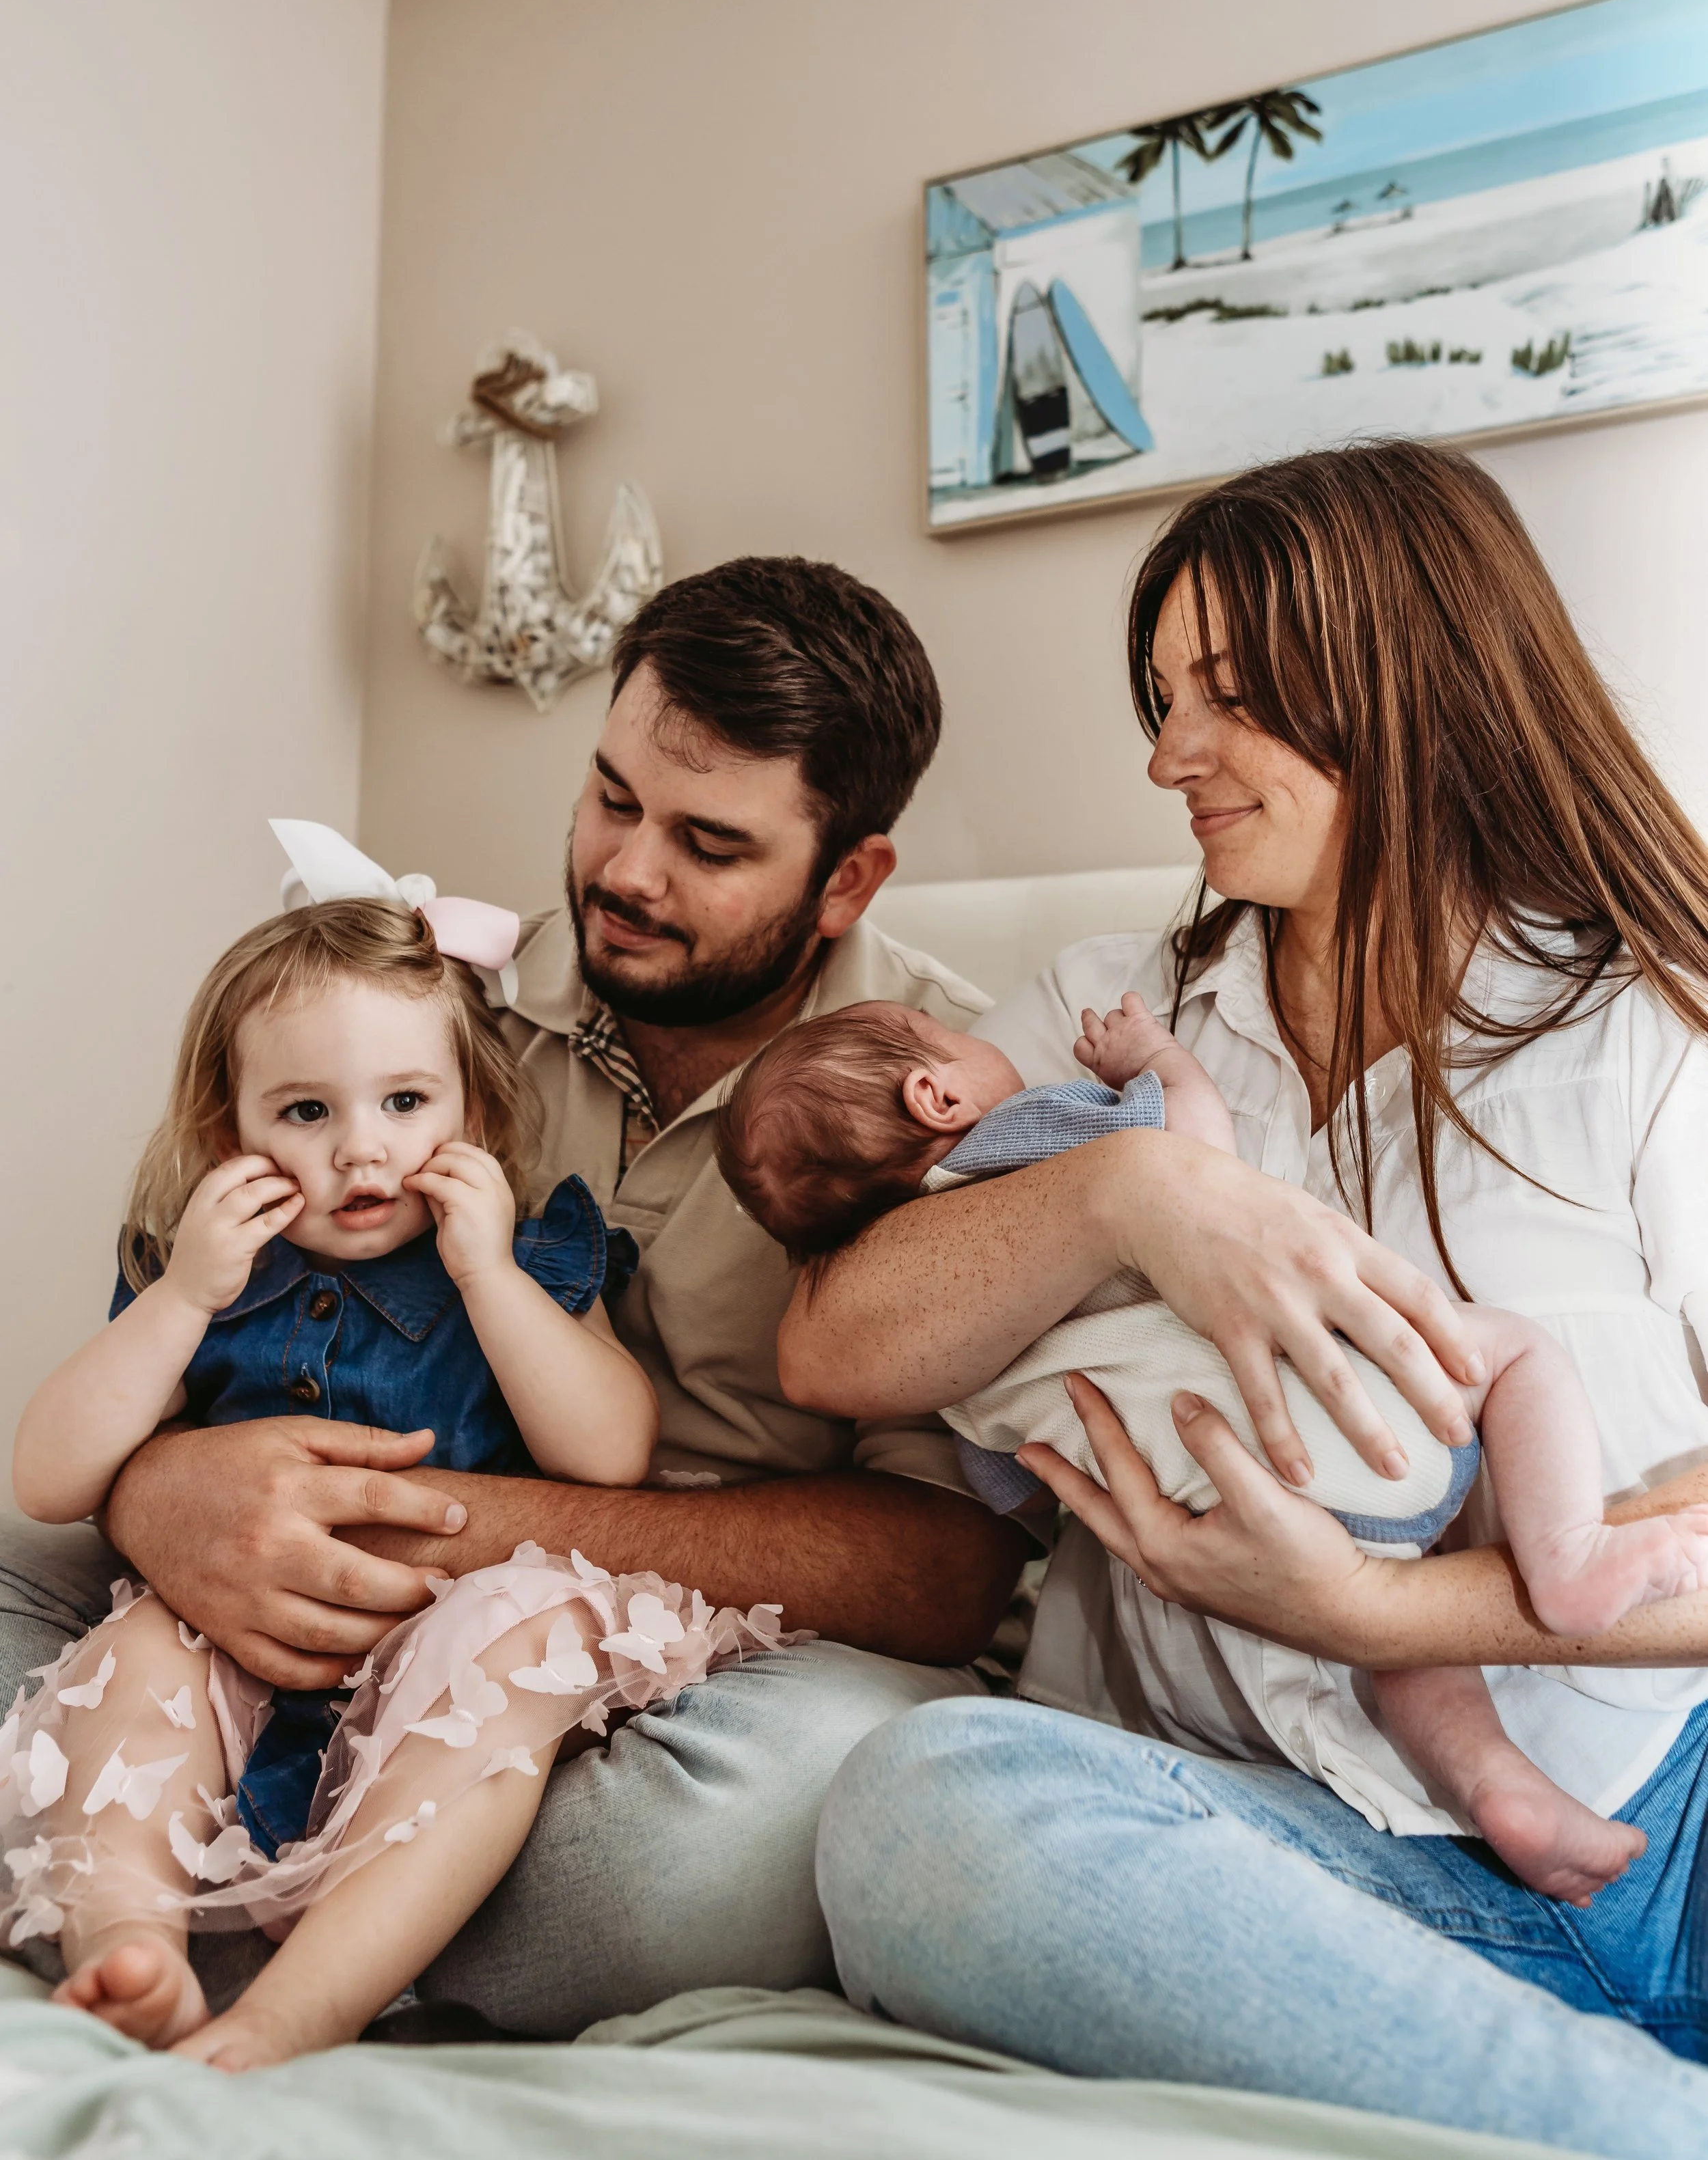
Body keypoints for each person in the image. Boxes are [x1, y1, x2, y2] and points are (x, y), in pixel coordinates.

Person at [784, 445, 1708, 2157]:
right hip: (1284, 1864)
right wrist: (1136, 1188)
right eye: (1157, 696)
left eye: (1224, 695)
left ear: (1412, 674)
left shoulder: (1650, 1028)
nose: (1161, 756)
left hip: (1653, 1814)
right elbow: (843, 1345)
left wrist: (1386, 1618)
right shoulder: (1106, 1018)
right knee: (921, 1813)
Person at [0, 557, 1032, 2032]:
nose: (625, 871)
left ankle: (298, 1918)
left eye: (708, 843)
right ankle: (183, 1911)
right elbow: (178, 1326)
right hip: (307, 1587)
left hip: (720, 1655)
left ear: (845, 880)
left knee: (649, 1875)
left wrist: (456, 1534)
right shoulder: (428, 1010)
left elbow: (946, 1574)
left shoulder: (931, 1096)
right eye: (611, 797)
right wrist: (165, 1493)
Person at [3, 889, 793, 2068]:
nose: (361, 1149)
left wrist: (492, 1280)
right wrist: (181, 1299)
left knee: (515, 1640)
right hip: (249, 1630)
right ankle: (131, 1944)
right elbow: (49, 1478)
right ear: (234, 1134)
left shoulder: (525, 1254)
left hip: (450, 1629)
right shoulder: (210, 1276)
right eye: (306, 1112)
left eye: (407, 1103)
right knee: (140, 1656)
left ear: (471, 1108)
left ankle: (302, 2006)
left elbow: (610, 1452)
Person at [721, 990, 1708, 1902]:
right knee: (1511, 1353)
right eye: (944, 1024)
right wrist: (1152, 1063)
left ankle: (1498, 1787)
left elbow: (1015, 1481)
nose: (979, 1024)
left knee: (1390, 1639)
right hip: (1361, 1418)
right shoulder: (1029, 1138)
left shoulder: (960, 1361)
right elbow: (1193, 1151)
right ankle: (1570, 1559)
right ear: (936, 1094)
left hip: (1233, 1525)